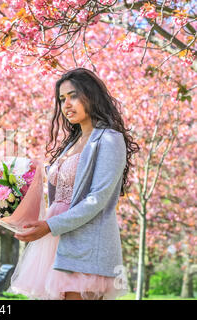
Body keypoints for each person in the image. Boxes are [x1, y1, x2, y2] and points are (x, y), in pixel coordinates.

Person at [10, 68, 139, 300]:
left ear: (91, 95)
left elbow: (97, 199)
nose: (66, 104)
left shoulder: (109, 139)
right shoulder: (71, 144)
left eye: (73, 95)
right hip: (54, 242)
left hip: (86, 244)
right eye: (61, 99)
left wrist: (49, 226)